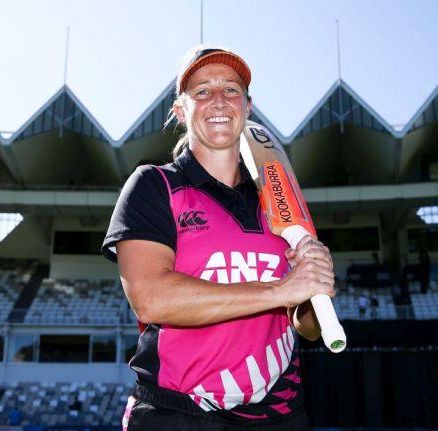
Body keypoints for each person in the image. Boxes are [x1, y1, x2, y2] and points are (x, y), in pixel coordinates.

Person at [102, 46, 336, 430]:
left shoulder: (278, 202)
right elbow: (151, 299)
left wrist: (316, 285)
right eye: (202, 91)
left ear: (247, 106)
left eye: (231, 90)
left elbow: (306, 327)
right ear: (181, 110)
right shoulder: (154, 184)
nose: (218, 100)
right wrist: (280, 290)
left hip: (279, 413)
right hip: (178, 412)